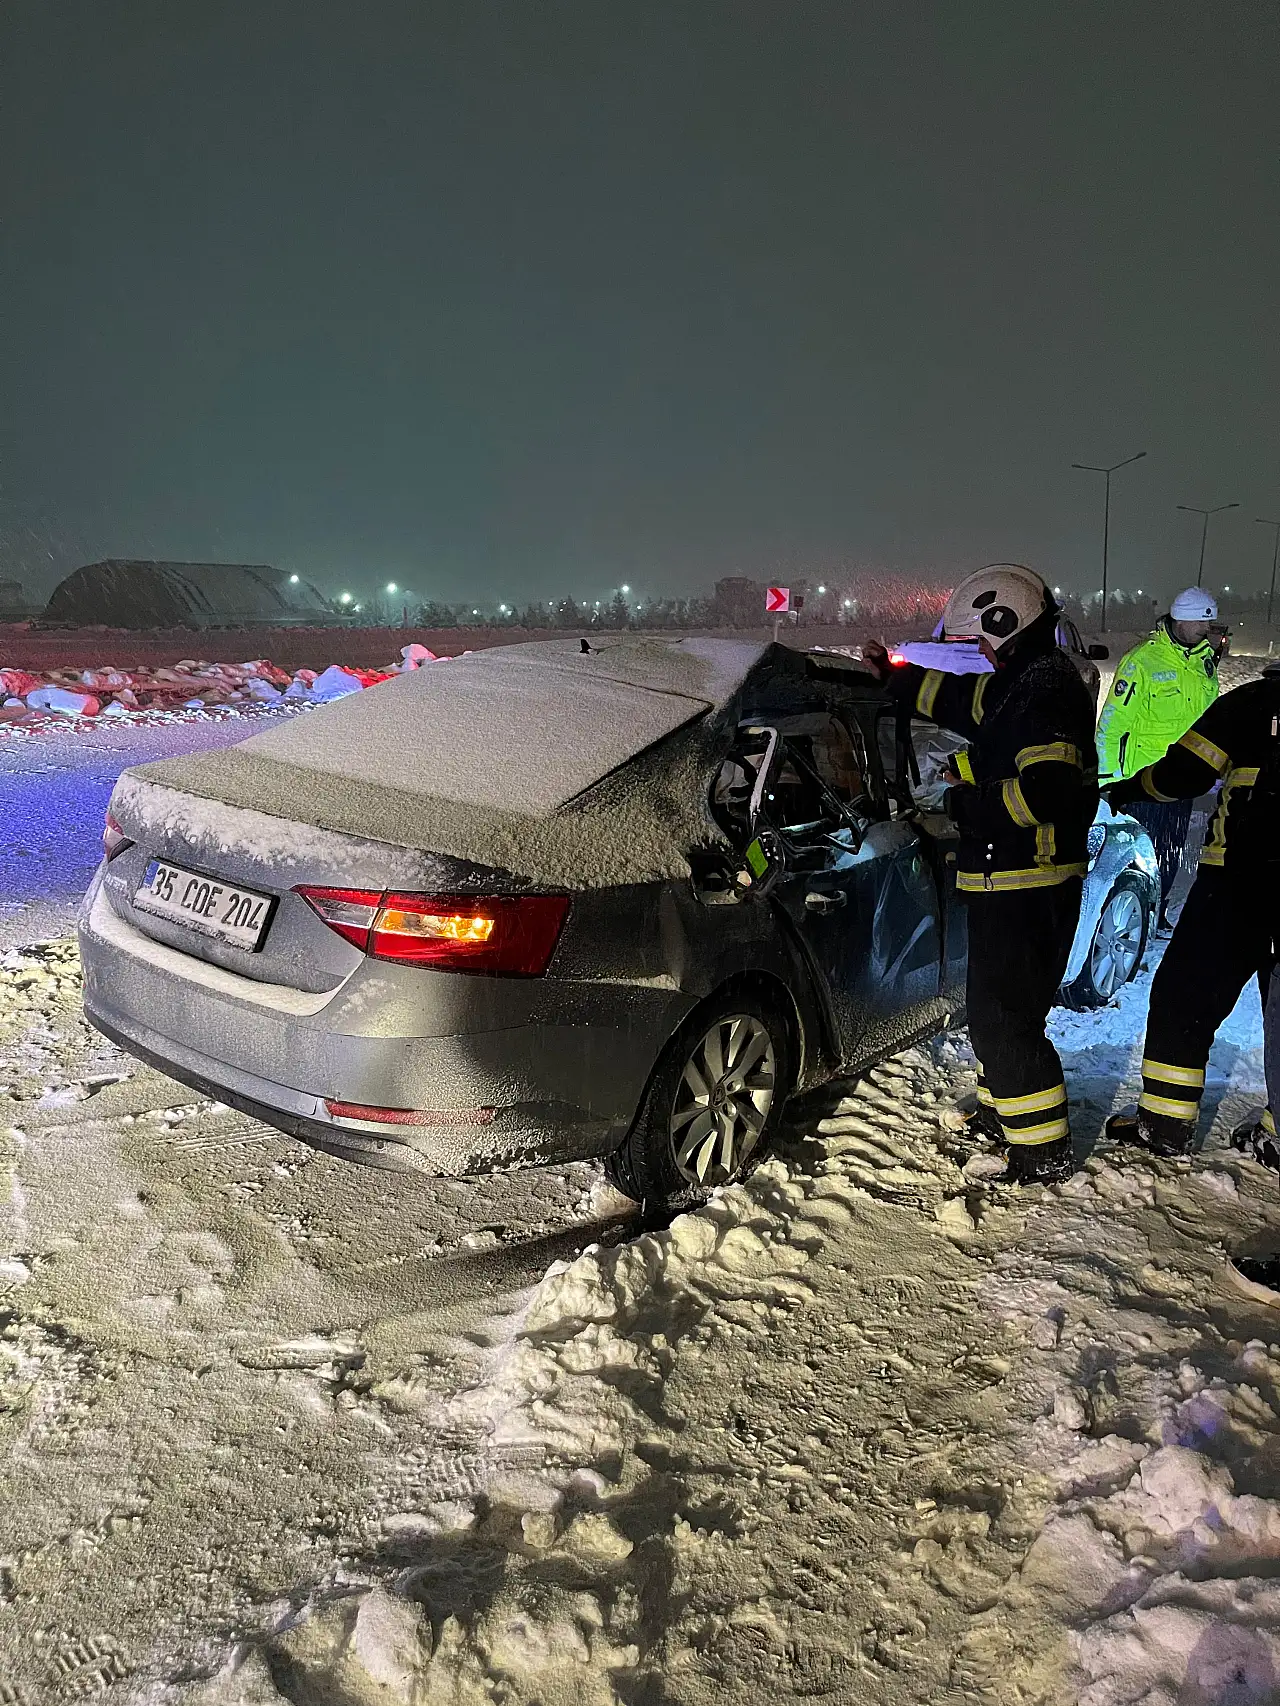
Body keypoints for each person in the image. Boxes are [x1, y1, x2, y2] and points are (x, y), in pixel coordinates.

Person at [865, 564, 1098, 1185]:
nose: (982, 653)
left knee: (1001, 1020)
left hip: (1027, 881)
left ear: (1007, 623)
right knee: (1008, 1012)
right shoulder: (1029, 681)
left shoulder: (1043, 690)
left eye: (984, 639)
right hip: (1024, 881)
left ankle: (1040, 1151)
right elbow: (963, 704)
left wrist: (966, 805)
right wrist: (896, 680)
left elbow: (1047, 790)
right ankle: (1008, 1116)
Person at [1104, 665, 1280, 1158]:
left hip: (1240, 881)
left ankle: (1164, 1125)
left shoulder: (1256, 701)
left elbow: (1184, 773)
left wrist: (1127, 789)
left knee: (1184, 999)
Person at [1095, 588, 1221, 927]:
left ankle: (1155, 913)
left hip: (1181, 778)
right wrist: (1108, 779)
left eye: (1209, 623)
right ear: (1180, 619)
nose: (1206, 629)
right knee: (1138, 856)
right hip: (1141, 780)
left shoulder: (1204, 663)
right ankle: (1128, 918)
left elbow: (1207, 721)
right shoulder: (1142, 661)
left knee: (1170, 851)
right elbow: (1111, 723)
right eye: (1201, 622)